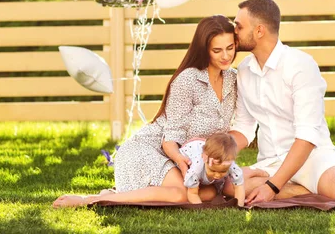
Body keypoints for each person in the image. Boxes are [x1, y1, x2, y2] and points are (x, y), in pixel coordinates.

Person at [227, 0, 335, 205]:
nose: (233, 32)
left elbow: (307, 136)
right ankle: (304, 190)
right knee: (229, 185)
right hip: (271, 161)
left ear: (259, 31)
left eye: (238, 26)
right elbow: (244, 128)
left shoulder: (300, 65)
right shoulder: (244, 70)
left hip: (312, 157)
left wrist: (272, 187)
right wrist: (216, 150)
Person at [53, 15, 240, 207]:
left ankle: (120, 194)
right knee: (179, 195)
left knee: (208, 193)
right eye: (217, 50)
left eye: (230, 48)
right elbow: (169, 140)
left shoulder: (234, 80)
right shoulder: (187, 80)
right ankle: (92, 199)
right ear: (205, 50)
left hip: (193, 162)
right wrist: (181, 161)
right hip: (152, 149)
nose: (226, 56)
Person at [181, 132, 245, 207]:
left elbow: (239, 187)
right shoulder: (196, 168)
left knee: (215, 191)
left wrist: (239, 206)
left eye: (223, 171)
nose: (217, 175)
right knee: (184, 188)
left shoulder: (231, 166)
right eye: (213, 170)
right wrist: (201, 209)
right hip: (187, 153)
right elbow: (192, 193)